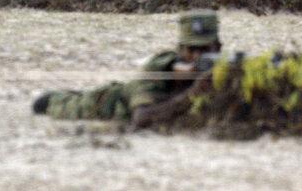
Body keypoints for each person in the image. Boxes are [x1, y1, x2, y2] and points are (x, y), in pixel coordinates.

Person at [32, 11, 221, 130]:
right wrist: (191, 94)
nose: (197, 56)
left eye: (205, 50)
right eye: (191, 50)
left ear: (218, 47)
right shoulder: (160, 67)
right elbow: (142, 118)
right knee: (56, 103)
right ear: (180, 49)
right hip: (109, 104)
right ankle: (54, 98)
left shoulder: (225, 67)